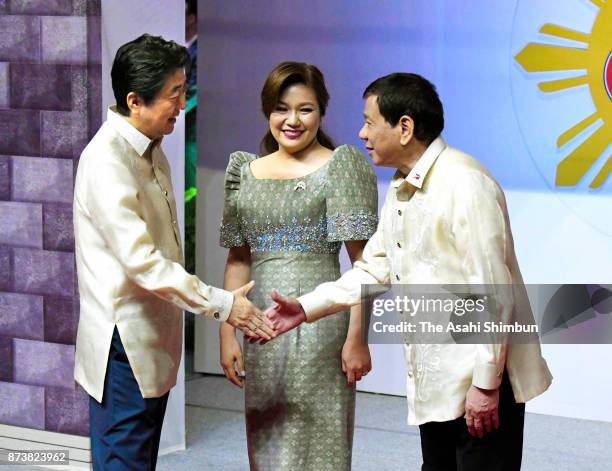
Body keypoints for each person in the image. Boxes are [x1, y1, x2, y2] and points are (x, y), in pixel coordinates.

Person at [267, 73, 553, 471]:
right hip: (438, 382)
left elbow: (493, 293)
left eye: (369, 121)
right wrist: (305, 307)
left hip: (481, 377)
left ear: (404, 127)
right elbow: (373, 268)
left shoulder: (464, 183)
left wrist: (486, 384)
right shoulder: (403, 187)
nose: (361, 133)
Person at [73, 34, 274, 471]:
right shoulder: (107, 162)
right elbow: (143, 262)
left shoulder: (152, 150)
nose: (182, 104)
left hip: (153, 341)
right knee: (122, 463)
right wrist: (223, 305)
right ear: (134, 101)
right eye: (174, 94)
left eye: (184, 90)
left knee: (141, 461)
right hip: (123, 345)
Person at [218, 61, 379, 470]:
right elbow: (238, 259)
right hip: (260, 332)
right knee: (268, 443)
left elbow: (366, 264)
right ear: (267, 111)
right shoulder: (244, 173)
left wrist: (357, 338)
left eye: (304, 109)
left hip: (320, 326)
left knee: (317, 444)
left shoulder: (341, 165)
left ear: (321, 111)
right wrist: (227, 334)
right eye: (280, 108)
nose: (291, 120)